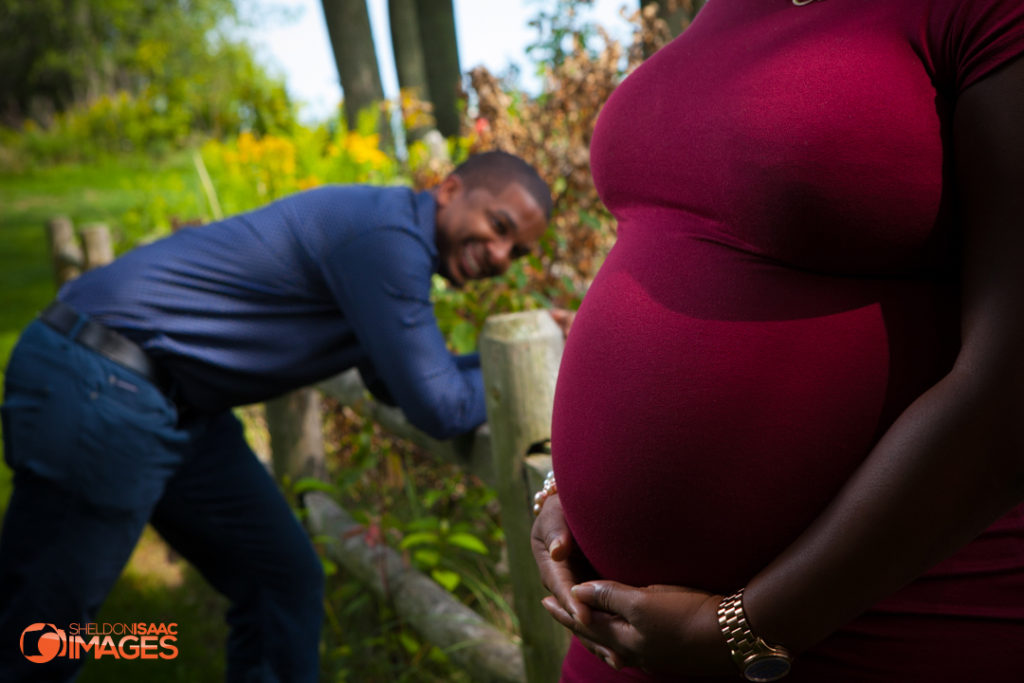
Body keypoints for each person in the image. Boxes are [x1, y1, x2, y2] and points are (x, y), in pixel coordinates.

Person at [531, 0, 1024, 681]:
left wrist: (745, 627)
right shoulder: (724, 9)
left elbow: (1012, 378)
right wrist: (566, 489)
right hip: (622, 635)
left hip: (874, 618)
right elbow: (665, 246)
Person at [0, 150, 552, 681]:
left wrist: (533, 354)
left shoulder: (384, 234)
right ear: (450, 189)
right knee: (44, 627)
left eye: (518, 252)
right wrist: (561, 368)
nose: (502, 256)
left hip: (168, 399)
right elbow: (442, 405)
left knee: (281, 579)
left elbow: (401, 382)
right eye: (499, 225)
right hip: (100, 381)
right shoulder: (388, 240)